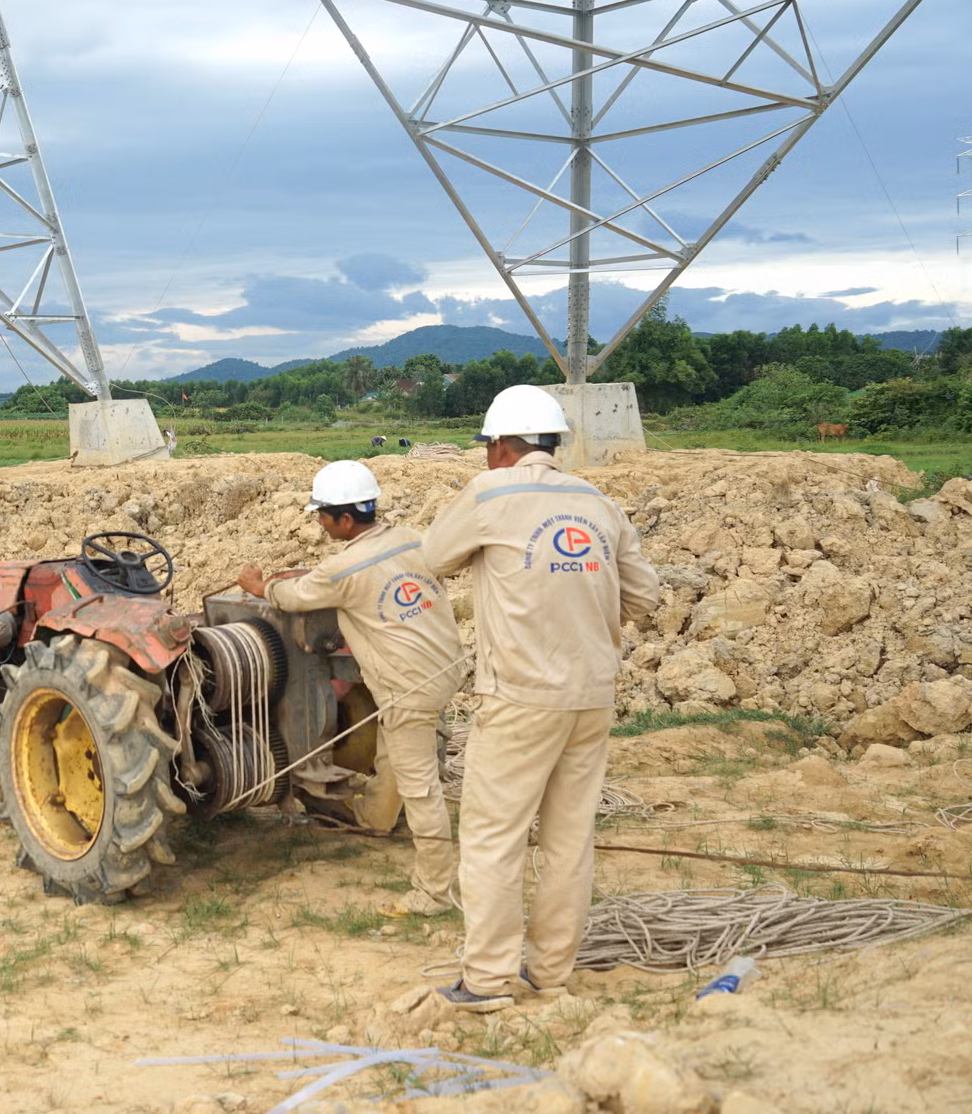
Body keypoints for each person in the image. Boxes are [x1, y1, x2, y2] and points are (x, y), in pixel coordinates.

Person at [420, 385, 660, 1013]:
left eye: (486, 449)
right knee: (569, 838)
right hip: (592, 694)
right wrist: (584, 619)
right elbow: (645, 596)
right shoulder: (598, 502)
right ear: (553, 444)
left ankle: (489, 980)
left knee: (493, 837)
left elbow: (432, 558)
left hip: (521, 696)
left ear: (500, 445)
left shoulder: (489, 494)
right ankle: (551, 971)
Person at [238, 459, 465, 917]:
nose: (319, 523)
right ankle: (376, 818)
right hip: (446, 668)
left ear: (345, 519)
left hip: (409, 686)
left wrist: (259, 586)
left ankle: (434, 889)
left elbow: (292, 598)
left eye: (322, 515)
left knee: (420, 787)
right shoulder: (412, 539)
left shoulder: (343, 569)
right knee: (399, 750)